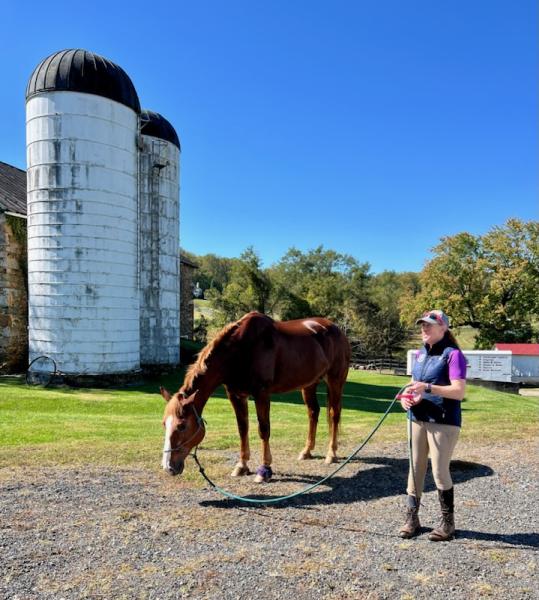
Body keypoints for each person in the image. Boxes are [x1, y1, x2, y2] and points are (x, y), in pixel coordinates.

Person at [399, 310, 467, 541]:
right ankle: (412, 519)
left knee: (439, 471)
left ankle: (448, 524)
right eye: (422, 325)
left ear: (443, 328)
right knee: (415, 469)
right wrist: (407, 397)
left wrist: (427, 388)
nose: (424, 329)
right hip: (417, 418)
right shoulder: (419, 354)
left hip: (444, 421)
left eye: (429, 325)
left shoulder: (453, 355)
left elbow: (458, 392)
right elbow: (413, 384)